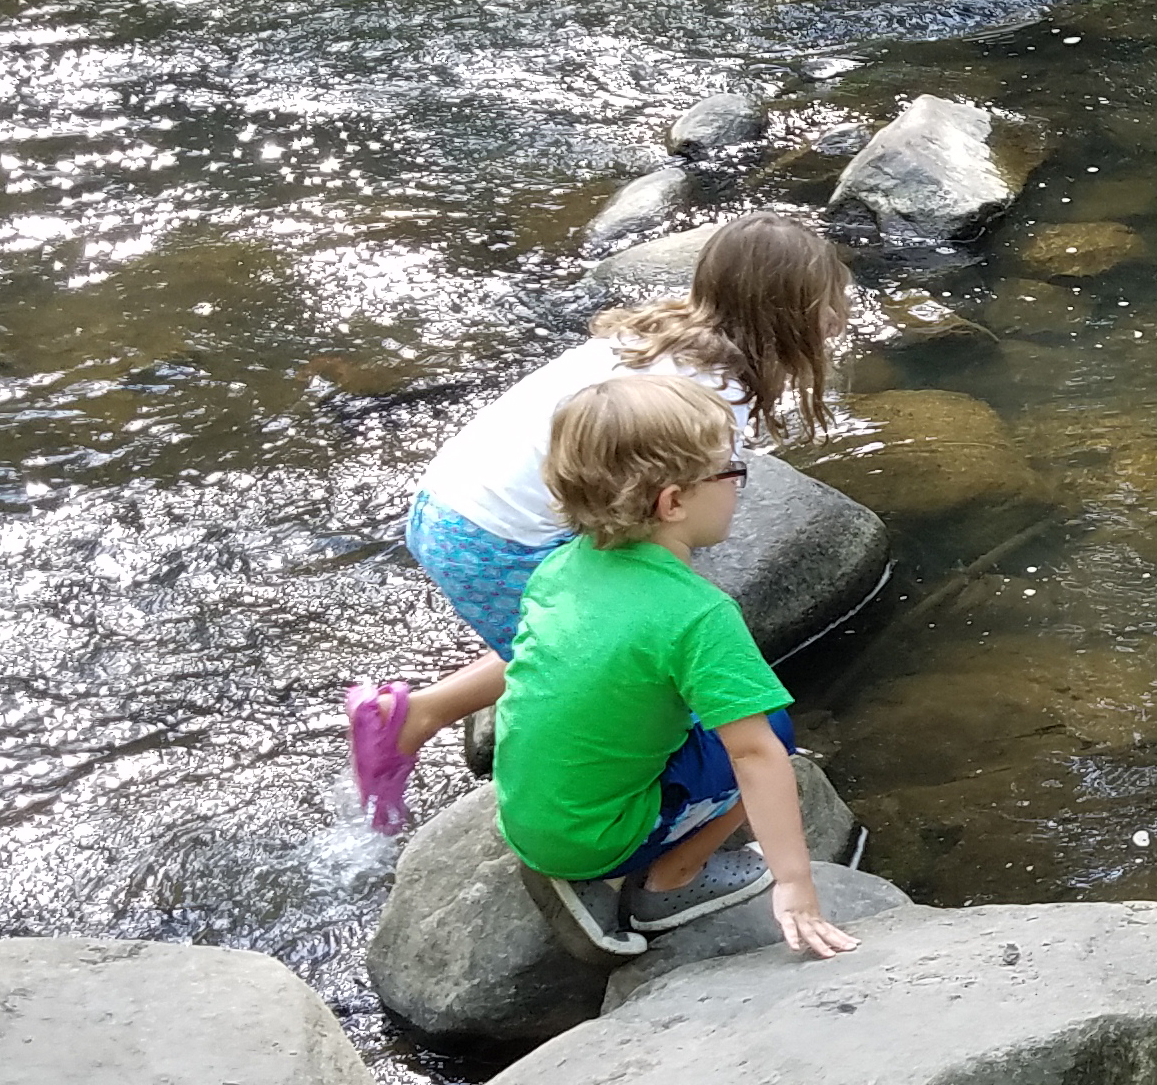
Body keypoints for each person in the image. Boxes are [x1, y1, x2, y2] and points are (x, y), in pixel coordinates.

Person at [346, 213, 848, 828]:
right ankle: (618, 825)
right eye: (830, 302)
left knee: (573, 625)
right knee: (615, 657)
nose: (838, 314)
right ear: (787, 315)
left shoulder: (660, 332)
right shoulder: (714, 396)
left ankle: (416, 716)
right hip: (496, 537)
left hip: (451, 503)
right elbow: (663, 543)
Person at [500, 372, 857, 962]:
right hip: (598, 839)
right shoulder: (697, 615)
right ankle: (670, 880)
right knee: (777, 732)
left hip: (527, 815)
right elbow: (754, 753)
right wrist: (795, 884)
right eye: (730, 472)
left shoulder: (561, 567)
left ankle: (579, 858)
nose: (740, 485)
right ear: (673, 502)